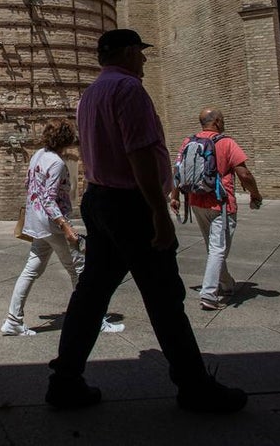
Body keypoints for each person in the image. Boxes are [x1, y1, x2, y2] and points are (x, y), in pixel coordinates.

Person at [45, 29, 248, 414]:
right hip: (132, 206)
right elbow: (139, 154)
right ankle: (194, 387)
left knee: (90, 295)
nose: (144, 60)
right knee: (165, 298)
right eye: (140, 52)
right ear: (127, 52)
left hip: (100, 201)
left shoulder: (89, 95)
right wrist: (159, 211)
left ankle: (65, 381)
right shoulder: (129, 90)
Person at [1, 118, 124, 337]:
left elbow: (29, 185)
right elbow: (49, 200)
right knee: (80, 271)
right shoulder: (57, 163)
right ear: (66, 139)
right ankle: (95, 320)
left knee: (31, 270)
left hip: (38, 224)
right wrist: (66, 228)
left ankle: (13, 320)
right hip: (54, 225)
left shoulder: (38, 155)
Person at [170, 108, 264, 311]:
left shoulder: (188, 142)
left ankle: (227, 283)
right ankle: (209, 295)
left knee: (214, 248)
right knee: (218, 249)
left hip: (196, 203)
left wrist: (175, 196)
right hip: (221, 204)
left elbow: (177, 170)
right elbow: (244, 174)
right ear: (218, 122)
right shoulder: (226, 142)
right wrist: (255, 194)